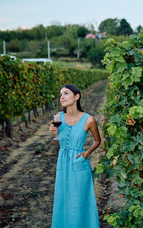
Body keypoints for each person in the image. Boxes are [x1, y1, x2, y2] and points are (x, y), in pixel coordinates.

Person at [49, 84, 101, 228]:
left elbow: (97, 140)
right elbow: (60, 145)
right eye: (60, 94)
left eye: (66, 93)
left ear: (77, 96)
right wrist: (55, 133)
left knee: (79, 201)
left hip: (79, 164)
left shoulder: (88, 119)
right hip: (62, 164)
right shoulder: (58, 117)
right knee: (63, 199)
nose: (62, 97)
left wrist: (86, 153)